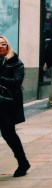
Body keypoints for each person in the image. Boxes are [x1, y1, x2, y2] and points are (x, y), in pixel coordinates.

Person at [0, 35, 30, 177]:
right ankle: (23, 162)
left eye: (3, 44)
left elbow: (16, 82)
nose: (1, 46)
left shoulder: (16, 63)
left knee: (8, 134)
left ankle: (23, 162)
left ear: (8, 46)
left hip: (8, 104)